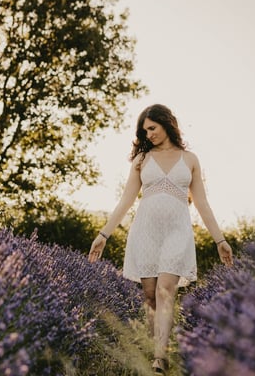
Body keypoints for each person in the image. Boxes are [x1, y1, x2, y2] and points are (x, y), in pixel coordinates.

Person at [88, 104, 233, 374]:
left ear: (167, 123)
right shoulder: (142, 160)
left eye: (152, 128)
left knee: (166, 290)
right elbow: (126, 200)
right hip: (145, 232)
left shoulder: (189, 159)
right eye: (145, 130)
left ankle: (160, 358)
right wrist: (103, 234)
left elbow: (202, 203)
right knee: (150, 295)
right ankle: (154, 347)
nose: (149, 134)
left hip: (178, 232)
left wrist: (220, 240)